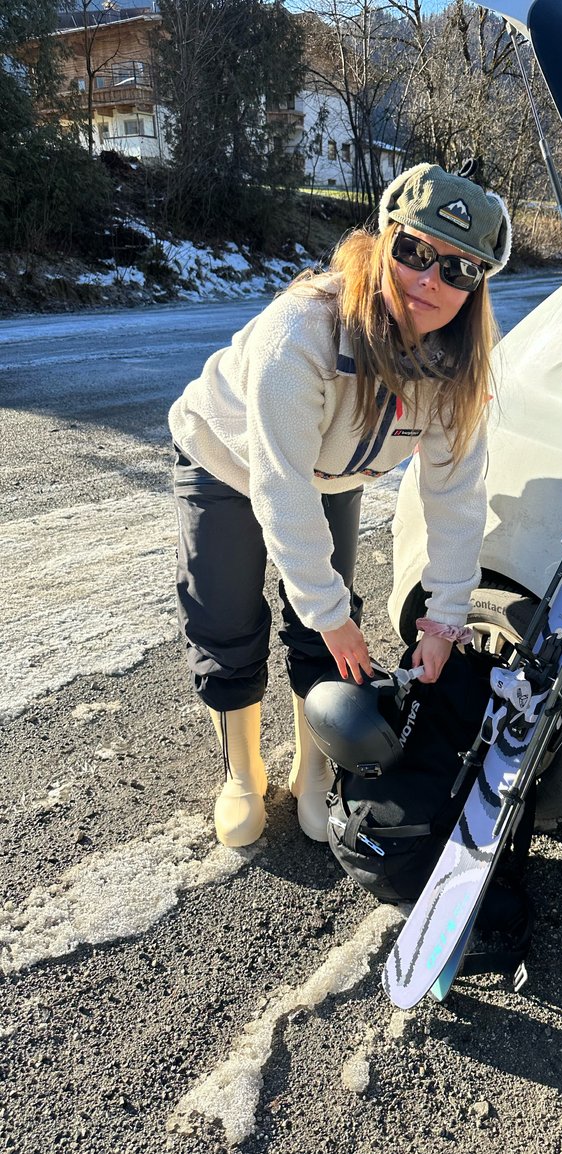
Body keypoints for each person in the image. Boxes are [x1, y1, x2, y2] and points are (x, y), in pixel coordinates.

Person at [168, 162, 512, 849]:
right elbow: (279, 485)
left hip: (330, 475)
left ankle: (313, 771)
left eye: (459, 271)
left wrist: (444, 620)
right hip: (229, 456)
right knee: (227, 615)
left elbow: (455, 497)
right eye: (416, 252)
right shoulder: (301, 330)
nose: (429, 280)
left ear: (476, 289)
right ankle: (242, 771)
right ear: (386, 240)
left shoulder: (456, 369)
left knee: (326, 633)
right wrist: (328, 612)